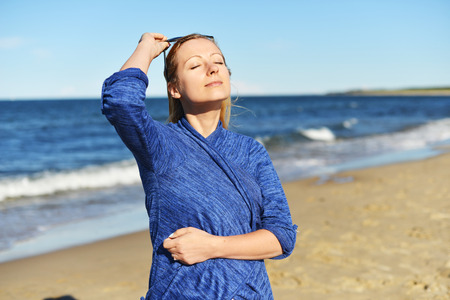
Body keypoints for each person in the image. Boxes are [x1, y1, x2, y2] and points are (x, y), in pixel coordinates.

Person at [101, 32, 297, 299]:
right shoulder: (160, 146)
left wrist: (213, 246)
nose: (212, 68)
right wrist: (146, 48)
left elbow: (282, 237)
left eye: (218, 61)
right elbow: (121, 101)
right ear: (174, 88)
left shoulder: (251, 152)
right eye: (195, 65)